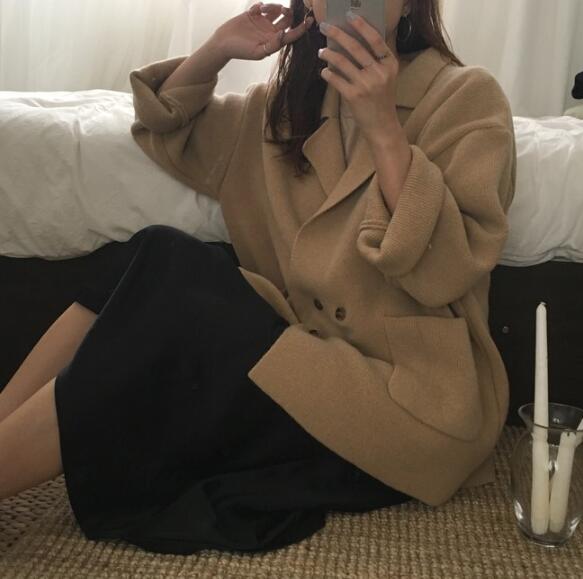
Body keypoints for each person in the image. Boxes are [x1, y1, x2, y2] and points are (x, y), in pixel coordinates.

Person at [0, 0, 516, 556]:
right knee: (152, 253)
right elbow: (165, 126)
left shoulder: (464, 97)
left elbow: (447, 271)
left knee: (175, 283)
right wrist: (217, 49)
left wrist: (385, 128)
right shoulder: (281, 109)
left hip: (405, 403)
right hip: (302, 364)